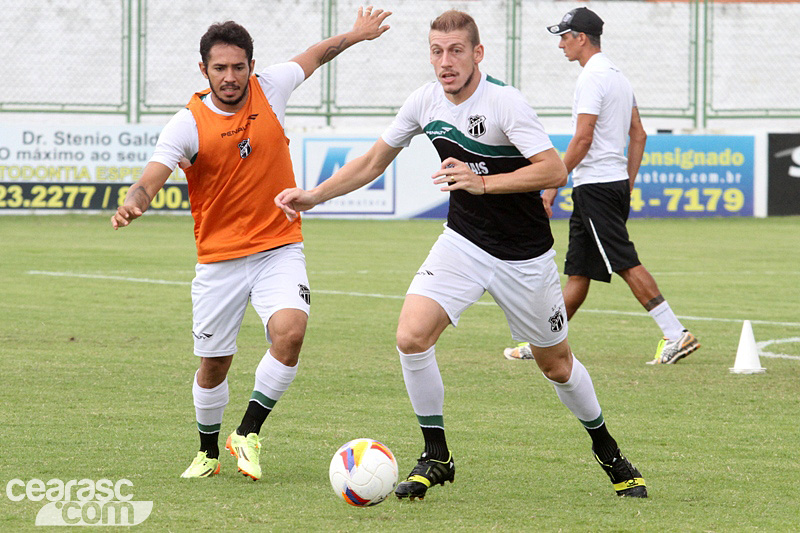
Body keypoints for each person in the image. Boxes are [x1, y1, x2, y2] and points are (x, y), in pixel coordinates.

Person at [275, 10, 646, 499]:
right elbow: (372, 161)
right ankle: (436, 455)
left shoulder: (505, 103)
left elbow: (554, 170)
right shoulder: (423, 102)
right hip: (463, 242)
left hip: (524, 256)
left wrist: (483, 182)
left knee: (555, 365)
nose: (444, 62)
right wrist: (314, 195)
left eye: (455, 51)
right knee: (410, 337)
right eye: (436, 51)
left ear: (477, 54)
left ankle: (609, 451)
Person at [110, 7, 392, 480]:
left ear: (251, 66)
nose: (230, 76)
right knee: (214, 364)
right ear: (204, 70)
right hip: (219, 260)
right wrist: (135, 202)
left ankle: (247, 432)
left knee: (291, 332)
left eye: (238, 66)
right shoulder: (188, 122)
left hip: (278, 246)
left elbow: (318, 54)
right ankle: (207, 452)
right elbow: (151, 176)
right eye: (219, 68)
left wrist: (358, 35)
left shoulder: (273, 87)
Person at [504, 7, 700, 365]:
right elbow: (638, 133)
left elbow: (582, 139)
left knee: (624, 261)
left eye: (564, 36)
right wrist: (628, 181)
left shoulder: (592, 78)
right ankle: (542, 344)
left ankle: (675, 333)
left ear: (581, 38)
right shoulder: (617, 76)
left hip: (595, 187)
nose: (561, 44)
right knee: (579, 272)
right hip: (608, 185)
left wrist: (552, 183)